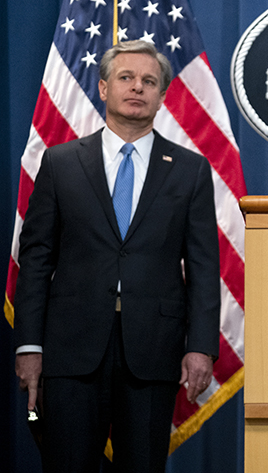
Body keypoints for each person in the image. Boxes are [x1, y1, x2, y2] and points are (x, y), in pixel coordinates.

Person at [14, 41, 221, 472]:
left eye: (149, 81)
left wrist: (201, 347)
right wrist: (29, 346)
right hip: (70, 351)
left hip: (153, 351)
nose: (137, 88)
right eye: (126, 78)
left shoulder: (190, 169)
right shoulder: (60, 163)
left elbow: (204, 268)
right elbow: (35, 261)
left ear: (163, 96)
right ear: (104, 88)